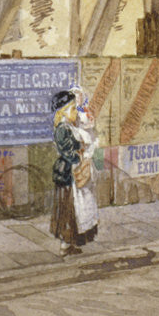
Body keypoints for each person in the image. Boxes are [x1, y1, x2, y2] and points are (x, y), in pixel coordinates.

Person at [50, 88, 99, 256]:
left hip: (70, 174)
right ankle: (65, 244)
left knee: (73, 212)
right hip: (67, 175)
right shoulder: (63, 128)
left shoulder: (68, 126)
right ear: (63, 111)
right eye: (72, 109)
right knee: (68, 211)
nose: (75, 113)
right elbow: (67, 151)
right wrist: (79, 158)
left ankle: (69, 243)